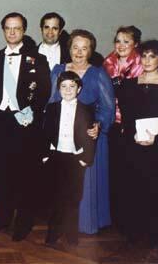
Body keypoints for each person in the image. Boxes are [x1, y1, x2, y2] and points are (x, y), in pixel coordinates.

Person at [0, 12, 51, 241]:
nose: (12, 32)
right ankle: (2, 218)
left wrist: (31, 112)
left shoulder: (37, 59)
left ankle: (24, 222)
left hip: (25, 124)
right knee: (1, 173)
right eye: (8, 28)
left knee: (25, 175)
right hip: (0, 124)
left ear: (24, 30)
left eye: (17, 28)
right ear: (3, 30)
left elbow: (44, 91)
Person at [116, 40, 158, 249]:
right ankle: (135, 229)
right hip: (135, 144)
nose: (146, 60)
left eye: (151, 56)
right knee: (135, 186)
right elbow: (127, 116)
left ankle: (156, 231)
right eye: (143, 56)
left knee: (156, 187)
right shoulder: (130, 84)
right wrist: (132, 135)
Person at [49, 29, 115, 234]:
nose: (78, 52)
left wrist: (99, 125)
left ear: (90, 51)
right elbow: (51, 102)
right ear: (69, 49)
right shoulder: (58, 70)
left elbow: (108, 108)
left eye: (84, 48)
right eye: (75, 47)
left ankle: (86, 223)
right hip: (62, 136)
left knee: (86, 182)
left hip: (89, 137)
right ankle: (62, 224)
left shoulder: (98, 74)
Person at [41, 71, 96, 248]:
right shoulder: (52, 108)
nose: (68, 90)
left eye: (72, 86)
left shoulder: (86, 109)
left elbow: (89, 137)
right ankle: (53, 233)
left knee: (73, 197)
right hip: (56, 157)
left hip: (75, 158)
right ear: (58, 89)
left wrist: (85, 158)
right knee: (55, 196)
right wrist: (45, 155)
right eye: (63, 86)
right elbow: (45, 133)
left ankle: (72, 234)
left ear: (79, 89)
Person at [102, 26, 143, 227]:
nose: (121, 45)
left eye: (127, 41)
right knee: (113, 170)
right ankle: (114, 215)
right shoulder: (107, 63)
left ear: (135, 44)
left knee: (131, 170)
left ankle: (131, 216)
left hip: (132, 123)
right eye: (118, 40)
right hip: (111, 123)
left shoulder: (142, 64)